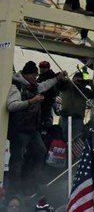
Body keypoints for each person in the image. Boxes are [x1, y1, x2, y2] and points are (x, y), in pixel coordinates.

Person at [6, 61, 64, 192]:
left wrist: (57, 78)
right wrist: (31, 101)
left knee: (40, 152)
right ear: (26, 74)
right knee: (17, 159)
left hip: (32, 129)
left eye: (35, 74)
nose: (35, 77)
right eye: (33, 74)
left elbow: (46, 84)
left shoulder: (34, 86)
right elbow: (11, 105)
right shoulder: (16, 86)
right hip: (19, 129)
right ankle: (14, 189)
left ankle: (31, 183)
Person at [58, 71, 94, 142]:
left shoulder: (85, 91)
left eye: (80, 79)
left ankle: (73, 152)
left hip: (78, 118)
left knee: (76, 139)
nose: (78, 81)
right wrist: (64, 78)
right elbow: (59, 85)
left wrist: (91, 85)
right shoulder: (67, 86)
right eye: (77, 79)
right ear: (73, 79)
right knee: (61, 138)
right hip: (65, 117)